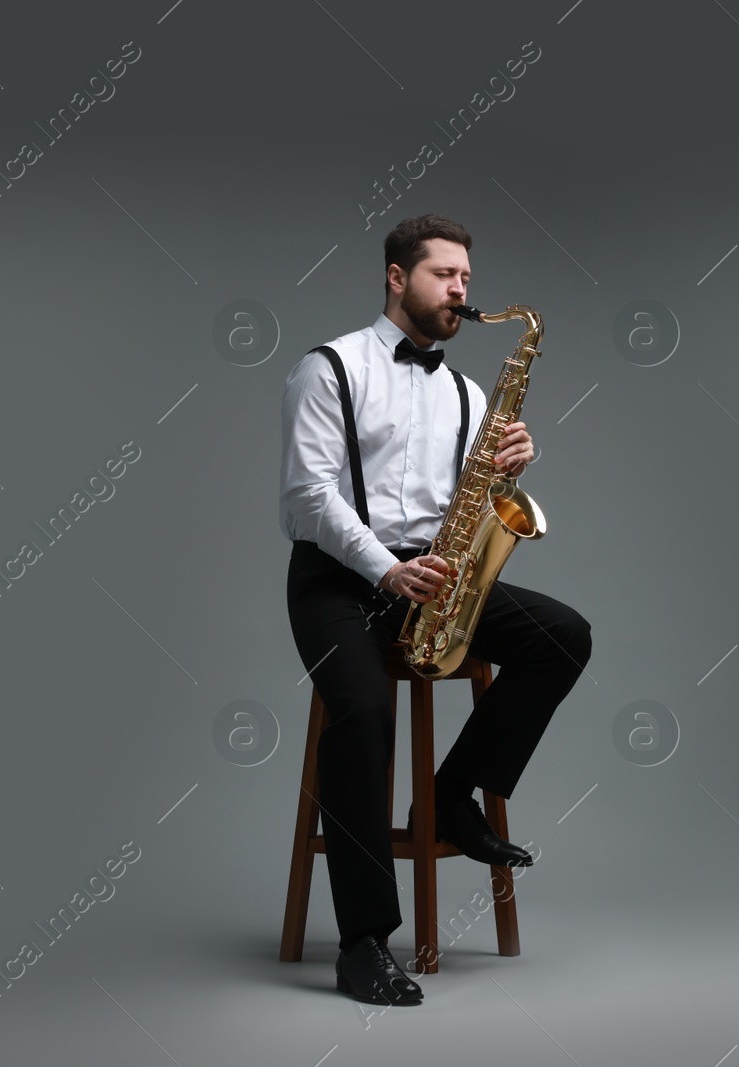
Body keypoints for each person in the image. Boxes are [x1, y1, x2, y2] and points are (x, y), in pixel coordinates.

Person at [280, 213, 592, 1007]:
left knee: (563, 636)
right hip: (340, 578)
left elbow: (465, 504)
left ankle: (451, 796)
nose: (460, 291)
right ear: (396, 276)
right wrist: (387, 571)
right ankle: (362, 943)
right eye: (444, 275)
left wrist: (508, 469)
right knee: (361, 708)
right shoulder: (329, 368)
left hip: (438, 572)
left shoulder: (463, 390)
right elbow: (308, 498)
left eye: (465, 279)